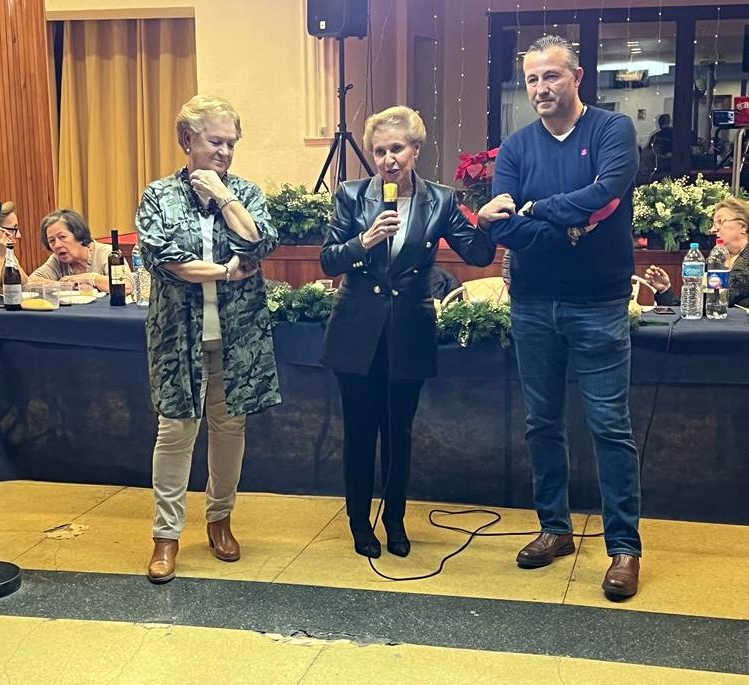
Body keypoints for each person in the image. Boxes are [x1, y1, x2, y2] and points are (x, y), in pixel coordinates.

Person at [485, 35, 642, 599]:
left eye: (551, 76)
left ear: (577, 77)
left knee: (610, 427)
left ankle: (624, 547)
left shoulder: (611, 131)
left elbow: (609, 192)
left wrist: (535, 211)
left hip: (599, 303)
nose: (540, 88)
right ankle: (555, 528)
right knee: (542, 424)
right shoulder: (515, 147)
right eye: (532, 79)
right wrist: (572, 226)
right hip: (532, 303)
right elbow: (504, 226)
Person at [320, 105, 500, 559]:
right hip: (356, 331)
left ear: (415, 149)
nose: (388, 160)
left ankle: (395, 520)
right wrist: (364, 241)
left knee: (399, 431)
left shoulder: (440, 200)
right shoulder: (351, 195)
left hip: (409, 331)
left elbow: (479, 256)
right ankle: (359, 522)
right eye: (379, 151)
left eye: (397, 149)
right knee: (360, 432)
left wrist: (486, 221)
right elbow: (328, 260)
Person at [136, 94, 280, 583]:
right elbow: (164, 258)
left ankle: (220, 520)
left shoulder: (244, 192)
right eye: (215, 141)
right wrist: (224, 270)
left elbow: (260, 241)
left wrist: (223, 197)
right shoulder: (159, 195)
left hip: (237, 335)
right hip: (178, 335)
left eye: (231, 143)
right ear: (186, 140)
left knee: (230, 428)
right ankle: (166, 535)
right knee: (176, 430)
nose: (225, 151)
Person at [645, 197, 749, 309]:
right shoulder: (716, 258)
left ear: (743, 227)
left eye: (720, 222)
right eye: (713, 224)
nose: (713, 229)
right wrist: (665, 290)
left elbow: (719, 301)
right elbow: (695, 308)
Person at [30, 209, 133, 294]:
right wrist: (64, 285)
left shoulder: (107, 253)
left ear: (79, 235)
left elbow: (127, 286)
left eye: (62, 237)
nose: (57, 245)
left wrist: (90, 278)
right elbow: (30, 283)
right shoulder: (56, 260)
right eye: (52, 241)